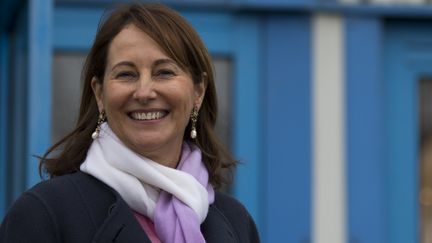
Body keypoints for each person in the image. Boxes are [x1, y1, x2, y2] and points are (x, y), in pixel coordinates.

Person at [0, 3, 259, 243]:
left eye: (164, 72)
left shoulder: (237, 222)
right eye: (126, 74)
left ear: (198, 92)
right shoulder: (43, 214)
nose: (144, 92)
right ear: (99, 94)